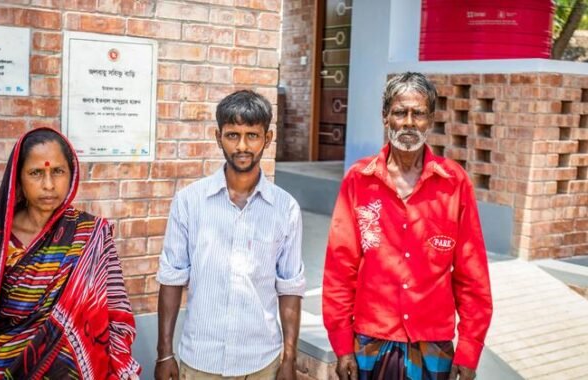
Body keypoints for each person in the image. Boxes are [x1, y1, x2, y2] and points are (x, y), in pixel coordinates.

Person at [322, 72, 493, 380]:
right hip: (370, 339)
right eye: (400, 112)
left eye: (419, 113)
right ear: (385, 116)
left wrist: (470, 347)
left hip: (432, 344)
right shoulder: (359, 180)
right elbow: (339, 268)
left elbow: (473, 275)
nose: (409, 122)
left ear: (431, 119)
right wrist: (342, 343)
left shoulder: (454, 183)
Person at [0, 128, 140, 379]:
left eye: (58, 171)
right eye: (36, 173)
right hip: (5, 370)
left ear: (71, 175)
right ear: (18, 179)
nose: (49, 185)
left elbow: (116, 312)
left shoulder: (91, 234)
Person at [154, 90, 305, 380]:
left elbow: (290, 287)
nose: (243, 146)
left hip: (262, 361)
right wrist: (164, 353)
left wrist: (289, 358)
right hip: (200, 360)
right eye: (233, 135)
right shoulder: (189, 202)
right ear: (218, 137)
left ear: (268, 139)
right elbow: (171, 280)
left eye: (252, 135)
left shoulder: (285, 208)